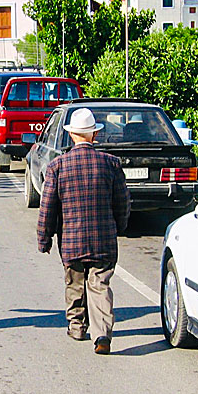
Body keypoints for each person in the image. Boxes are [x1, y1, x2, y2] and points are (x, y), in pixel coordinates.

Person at [37, 108, 130, 355]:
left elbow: (48, 207)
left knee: (74, 283)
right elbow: (122, 203)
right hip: (103, 240)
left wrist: (44, 238)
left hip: (71, 240)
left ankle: (77, 326)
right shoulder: (111, 164)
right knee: (100, 285)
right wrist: (120, 226)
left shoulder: (57, 166)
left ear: (71, 136)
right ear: (94, 135)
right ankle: (102, 335)